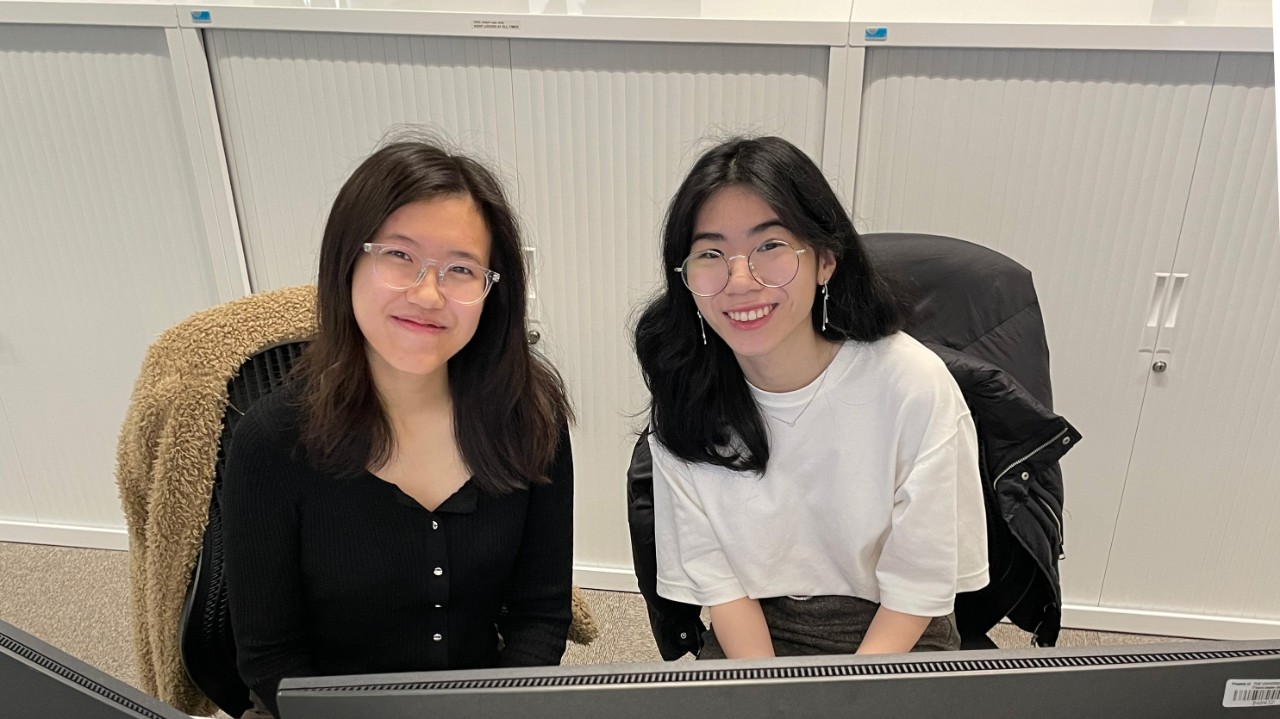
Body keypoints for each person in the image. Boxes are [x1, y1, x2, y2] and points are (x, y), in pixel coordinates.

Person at [221, 138, 575, 718]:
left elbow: (540, 616)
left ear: (492, 289)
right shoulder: (273, 441)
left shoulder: (528, 418)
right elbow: (270, 657)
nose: (429, 293)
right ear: (348, 262)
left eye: (461, 269)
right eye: (400, 256)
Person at [633, 136, 989, 659]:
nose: (739, 280)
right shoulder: (686, 402)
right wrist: (771, 696)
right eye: (711, 254)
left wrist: (844, 703)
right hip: (758, 631)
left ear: (825, 259)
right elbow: (727, 596)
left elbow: (918, 589)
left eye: (770, 247)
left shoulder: (911, 384)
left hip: (896, 634)